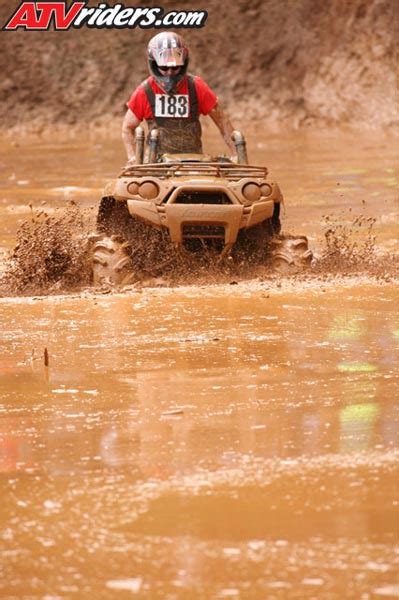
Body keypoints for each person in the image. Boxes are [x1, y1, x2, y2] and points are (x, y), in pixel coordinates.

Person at [122, 31, 238, 164]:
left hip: (194, 162)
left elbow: (222, 121)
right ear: (154, 64)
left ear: (184, 63)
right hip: (155, 164)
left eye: (175, 67)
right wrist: (133, 157)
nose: (170, 73)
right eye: (164, 68)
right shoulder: (145, 90)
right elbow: (127, 127)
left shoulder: (197, 86)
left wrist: (236, 154)